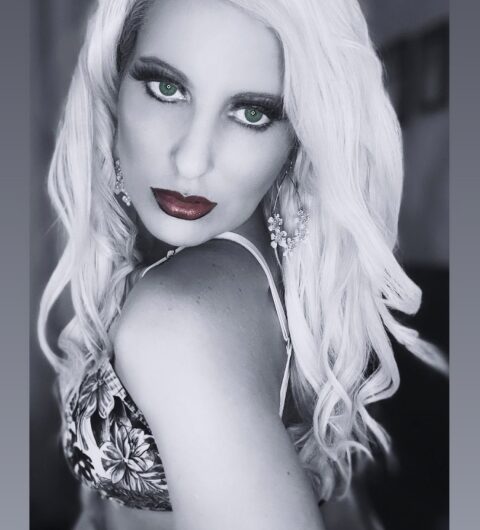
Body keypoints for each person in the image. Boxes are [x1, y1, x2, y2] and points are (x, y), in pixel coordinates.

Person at [37, 0, 447, 528]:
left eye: (252, 114)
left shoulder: (179, 320)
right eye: (166, 88)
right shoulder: (269, 265)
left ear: (297, 138)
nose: (191, 161)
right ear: (115, 85)